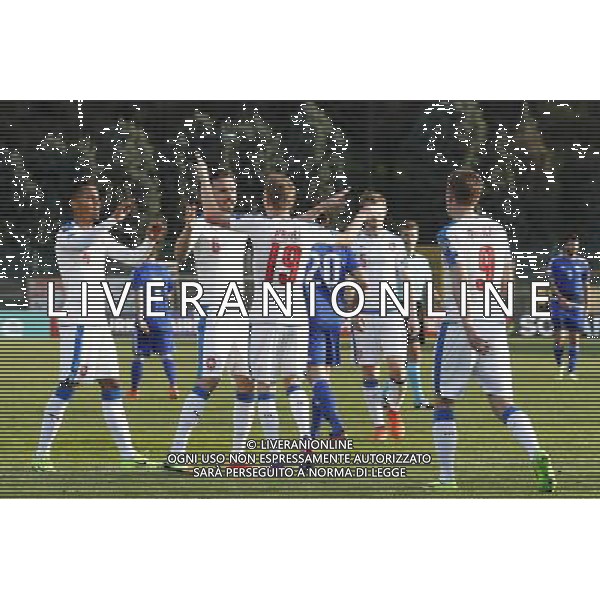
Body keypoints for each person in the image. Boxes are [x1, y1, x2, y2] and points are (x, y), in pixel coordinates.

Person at [433, 169, 554, 492]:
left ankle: (446, 479)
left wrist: (469, 327)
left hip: (463, 325)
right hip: (494, 320)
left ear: (449, 194)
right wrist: (503, 313)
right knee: (502, 402)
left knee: (444, 401)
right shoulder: (496, 229)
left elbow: (459, 280)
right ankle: (536, 453)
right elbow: (508, 274)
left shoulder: (449, 233)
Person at [33, 180, 163, 471]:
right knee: (69, 384)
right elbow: (84, 245)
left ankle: (128, 456)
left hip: (97, 323)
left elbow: (130, 259)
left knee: (111, 383)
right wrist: (114, 220)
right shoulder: (67, 234)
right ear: (73, 202)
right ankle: (40, 457)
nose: (97, 202)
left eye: (98, 198)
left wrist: (150, 241)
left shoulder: (98, 235)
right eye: (90, 197)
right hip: (78, 320)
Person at [168, 155, 255, 461]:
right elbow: (179, 256)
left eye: (232, 190)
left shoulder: (242, 224)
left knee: (247, 382)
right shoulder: (202, 225)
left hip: (239, 316)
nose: (229, 196)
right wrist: (189, 227)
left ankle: (237, 455)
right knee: (209, 381)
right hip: (216, 314)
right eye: (221, 190)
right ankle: (176, 454)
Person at [351, 192, 415, 441]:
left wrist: (409, 312)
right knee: (369, 370)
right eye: (368, 208)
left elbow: (404, 278)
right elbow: (349, 280)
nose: (374, 214)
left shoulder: (394, 242)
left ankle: (394, 412)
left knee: (398, 369)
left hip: (391, 314)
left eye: (378, 208)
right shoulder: (355, 242)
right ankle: (379, 424)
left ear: (385, 211)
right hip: (365, 314)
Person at [304, 213, 361, 438]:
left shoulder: (305, 245)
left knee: (316, 378)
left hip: (310, 317)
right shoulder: (343, 247)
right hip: (335, 318)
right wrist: (353, 310)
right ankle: (311, 437)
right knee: (322, 379)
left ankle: (337, 426)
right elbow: (361, 281)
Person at [128, 236, 179, 401]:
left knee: (139, 356)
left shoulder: (139, 270)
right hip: (163, 319)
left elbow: (138, 295)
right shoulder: (164, 270)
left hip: (148, 318)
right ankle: (173, 388)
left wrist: (141, 318)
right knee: (167, 355)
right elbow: (171, 294)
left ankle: (135, 391)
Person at [398, 220, 433, 409]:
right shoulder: (395, 258)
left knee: (411, 354)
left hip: (416, 308)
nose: (409, 238)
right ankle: (418, 398)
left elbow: (427, 287)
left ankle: (386, 394)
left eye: (412, 234)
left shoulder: (422, 260)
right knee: (410, 353)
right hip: (397, 305)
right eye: (405, 234)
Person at [548, 233, 590, 380]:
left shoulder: (583, 263)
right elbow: (552, 283)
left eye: (576, 245)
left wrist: (586, 304)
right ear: (565, 245)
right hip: (559, 302)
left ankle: (571, 371)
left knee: (575, 338)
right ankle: (559, 366)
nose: (573, 247)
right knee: (559, 338)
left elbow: (585, 284)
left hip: (577, 303)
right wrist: (560, 298)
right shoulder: (556, 261)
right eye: (571, 244)